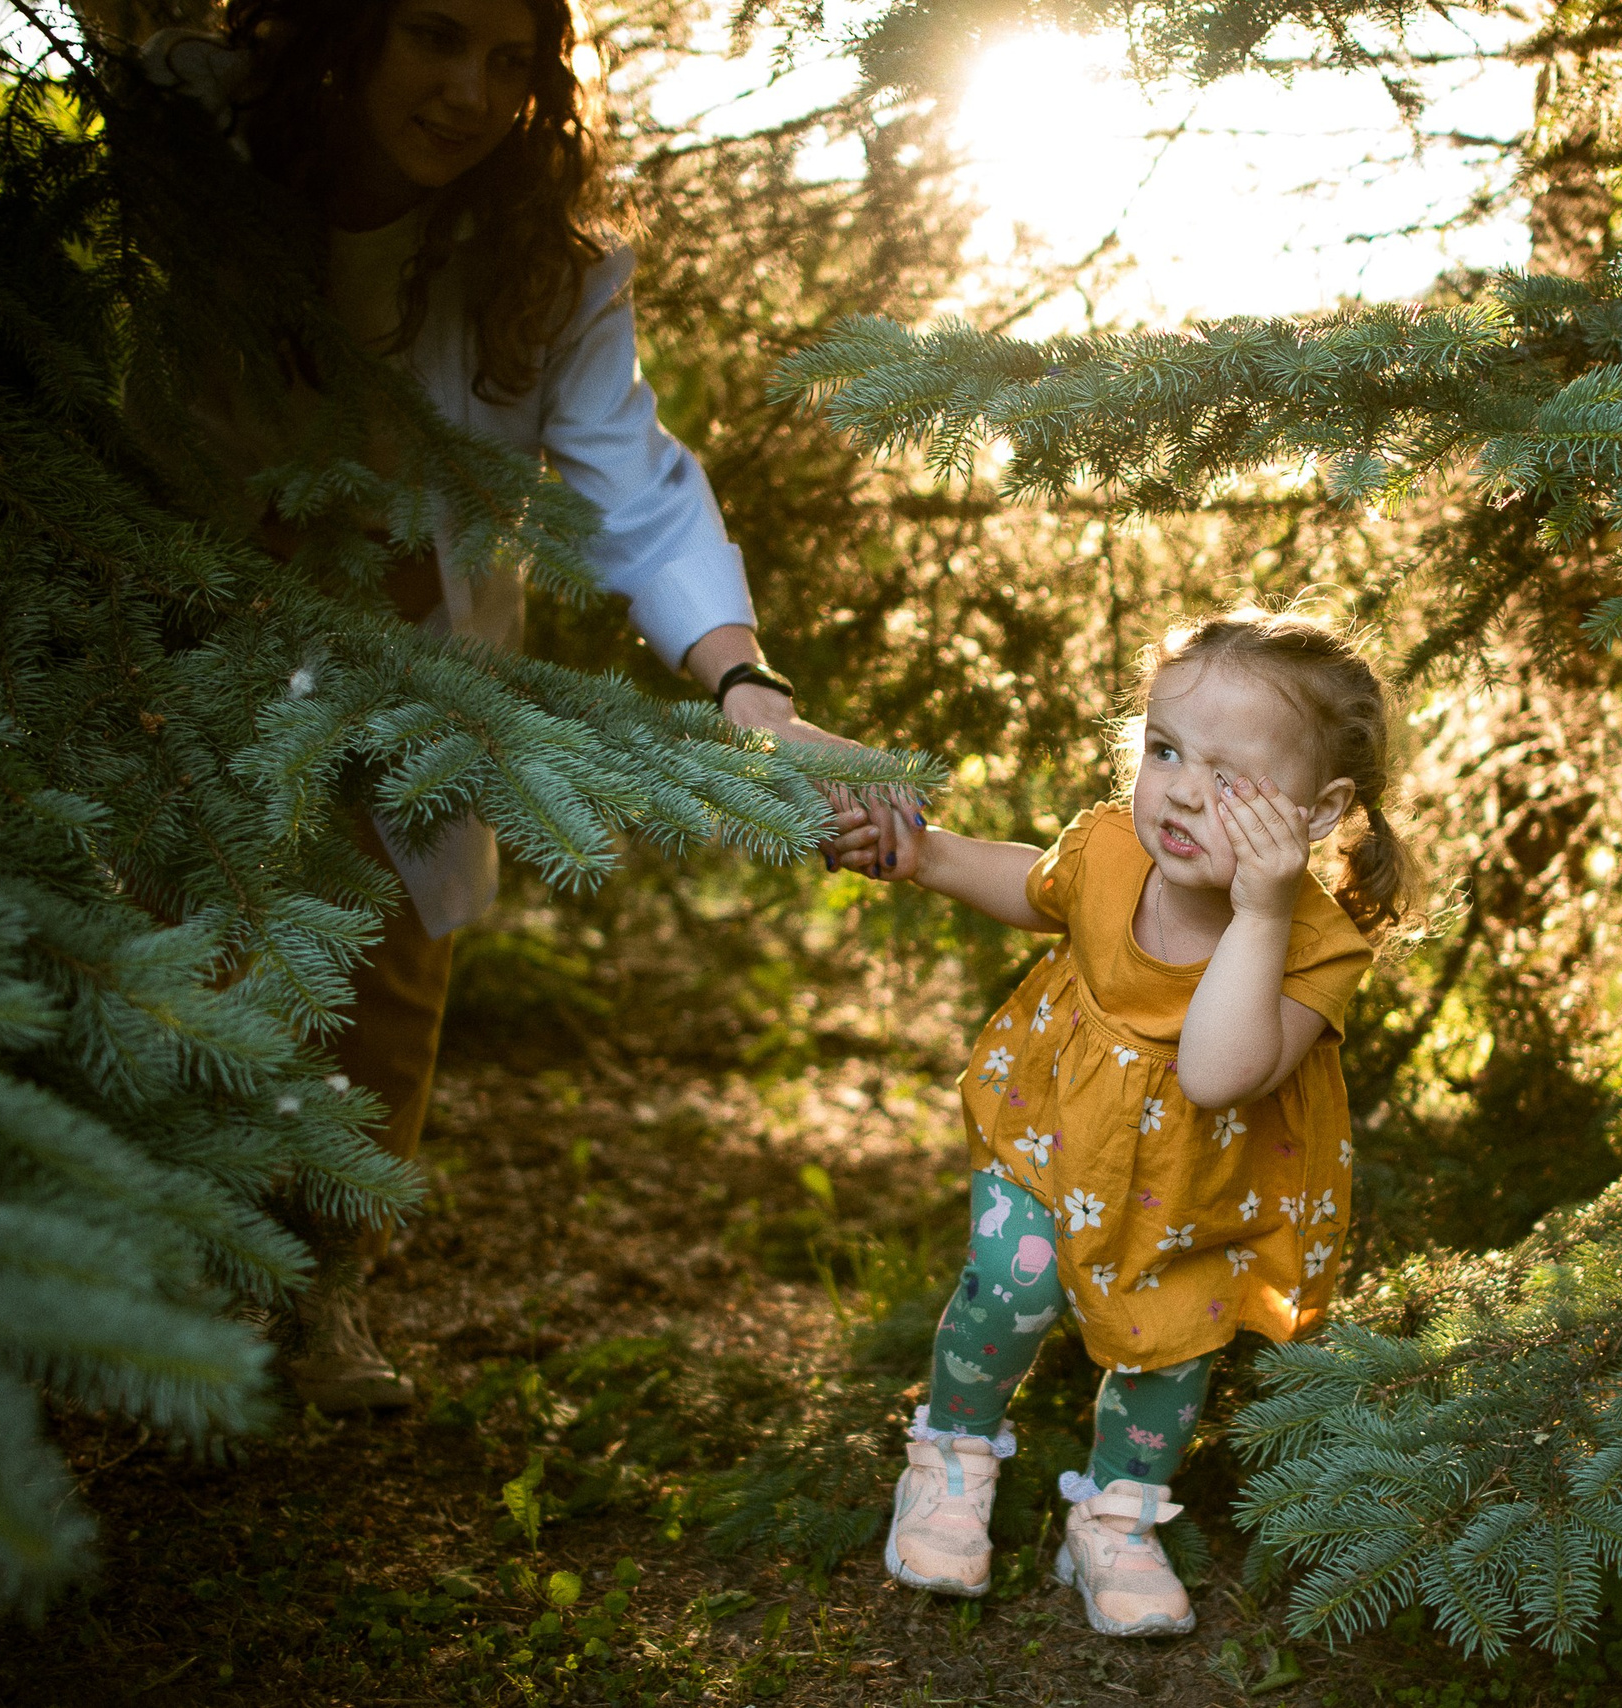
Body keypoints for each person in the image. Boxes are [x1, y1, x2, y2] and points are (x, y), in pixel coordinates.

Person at [140, 0, 854, 1410]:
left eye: (509, 61)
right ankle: (170, 1287)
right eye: (434, 38)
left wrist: (744, 682)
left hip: (422, 665)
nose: (471, 93)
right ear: (351, 32)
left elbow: (632, 484)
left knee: (392, 969)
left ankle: (326, 1292)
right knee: (190, 939)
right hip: (189, 632)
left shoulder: (553, 258)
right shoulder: (197, 131)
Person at [831, 607, 1408, 1637]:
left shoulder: (1317, 946)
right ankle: (953, 1455)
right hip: (1054, 1125)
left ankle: (1115, 1519)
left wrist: (1265, 908)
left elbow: (1217, 1069)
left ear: (1319, 811)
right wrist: (924, 855)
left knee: (1167, 1348)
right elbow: (1035, 882)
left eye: (1230, 776)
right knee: (1010, 1281)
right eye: (1165, 748)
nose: (1182, 787)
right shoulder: (1111, 845)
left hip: (1199, 1185)